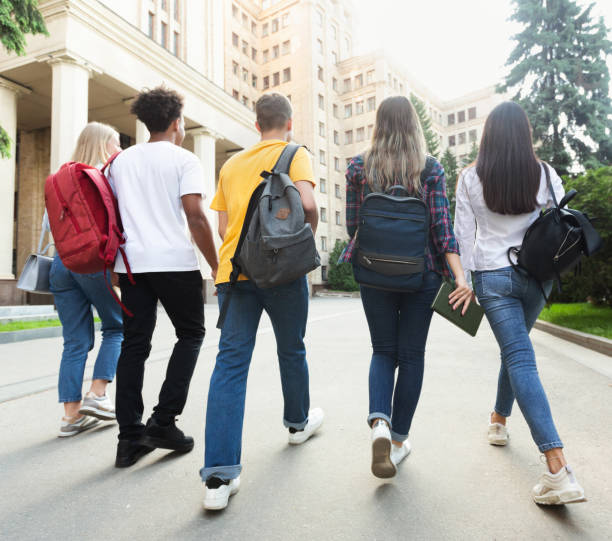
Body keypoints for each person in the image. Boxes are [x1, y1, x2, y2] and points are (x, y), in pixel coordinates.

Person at [454, 101, 586, 505]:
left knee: (518, 357)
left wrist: (466, 280)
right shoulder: (545, 173)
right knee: (517, 354)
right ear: (525, 136)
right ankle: (498, 420)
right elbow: (564, 220)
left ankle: (557, 467)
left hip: (492, 277)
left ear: (487, 136)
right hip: (537, 276)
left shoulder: (470, 178)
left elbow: (462, 234)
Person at [201, 92, 323, 511]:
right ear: (289, 123)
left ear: (256, 125)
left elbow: (222, 227)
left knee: (230, 365)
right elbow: (307, 204)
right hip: (283, 273)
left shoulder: (231, 164)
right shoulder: (295, 153)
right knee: (292, 350)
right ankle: (297, 424)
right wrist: (301, 236)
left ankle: (218, 476)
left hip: (233, 274)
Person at [343, 96, 472, 479]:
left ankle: (379, 422)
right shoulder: (429, 169)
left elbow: (354, 225)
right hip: (423, 274)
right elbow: (441, 230)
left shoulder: (358, 168)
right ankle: (398, 440)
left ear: (379, 125)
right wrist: (460, 277)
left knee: (383, 351)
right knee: (412, 356)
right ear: (414, 125)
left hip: (374, 272)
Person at [106, 86, 219, 468]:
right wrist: (216, 265)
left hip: (132, 266)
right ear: (176, 122)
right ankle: (164, 421)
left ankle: (128, 439)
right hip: (173, 262)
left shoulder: (120, 162)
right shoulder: (184, 161)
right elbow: (196, 216)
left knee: (133, 345)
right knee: (191, 334)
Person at [48, 121, 124, 437]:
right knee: (118, 326)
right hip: (91, 262)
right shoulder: (103, 177)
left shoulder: (59, 179)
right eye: (116, 142)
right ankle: (98, 393)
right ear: (104, 144)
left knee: (75, 340)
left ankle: (71, 417)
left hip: (60, 263)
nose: (119, 149)